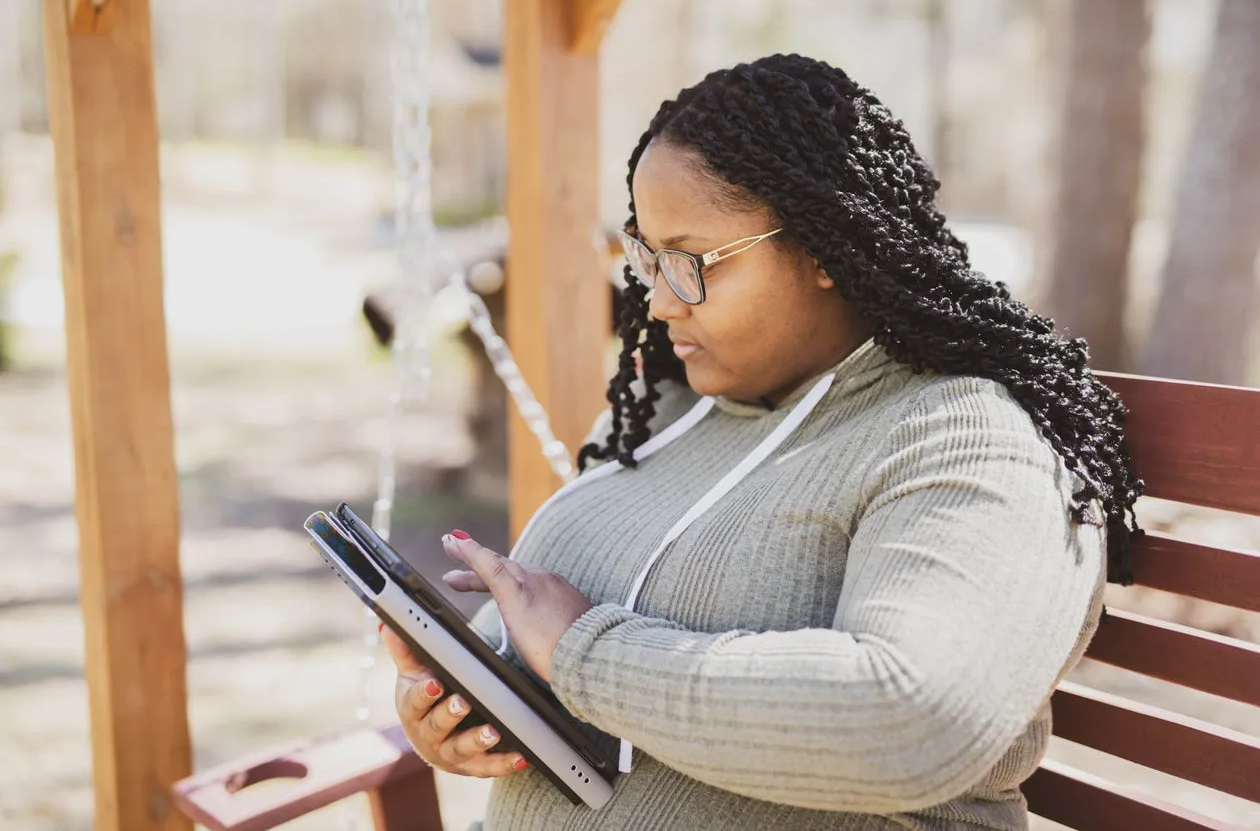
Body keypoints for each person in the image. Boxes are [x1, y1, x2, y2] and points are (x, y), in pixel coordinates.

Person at [380, 53, 1142, 831]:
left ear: (821, 245)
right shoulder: (666, 406)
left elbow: (913, 718)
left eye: (691, 261)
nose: (659, 301)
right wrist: (461, 702)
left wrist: (585, 653)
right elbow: (549, 629)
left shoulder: (966, 435)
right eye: (646, 258)